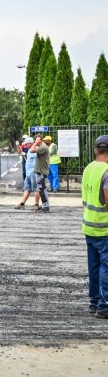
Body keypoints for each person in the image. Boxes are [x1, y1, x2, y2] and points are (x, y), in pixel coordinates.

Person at [81, 135, 108, 319]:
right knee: (106, 266)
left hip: (89, 226)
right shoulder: (107, 171)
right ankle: (104, 306)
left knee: (94, 265)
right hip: (104, 228)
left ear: (95, 150)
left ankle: (94, 302)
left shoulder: (89, 168)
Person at [15, 134, 50, 212]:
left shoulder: (40, 148)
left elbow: (32, 150)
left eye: (27, 144)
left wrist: (36, 142)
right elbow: (21, 152)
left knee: (39, 189)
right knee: (28, 188)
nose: (26, 145)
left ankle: (39, 205)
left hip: (35, 173)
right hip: (29, 173)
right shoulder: (31, 150)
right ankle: (22, 203)